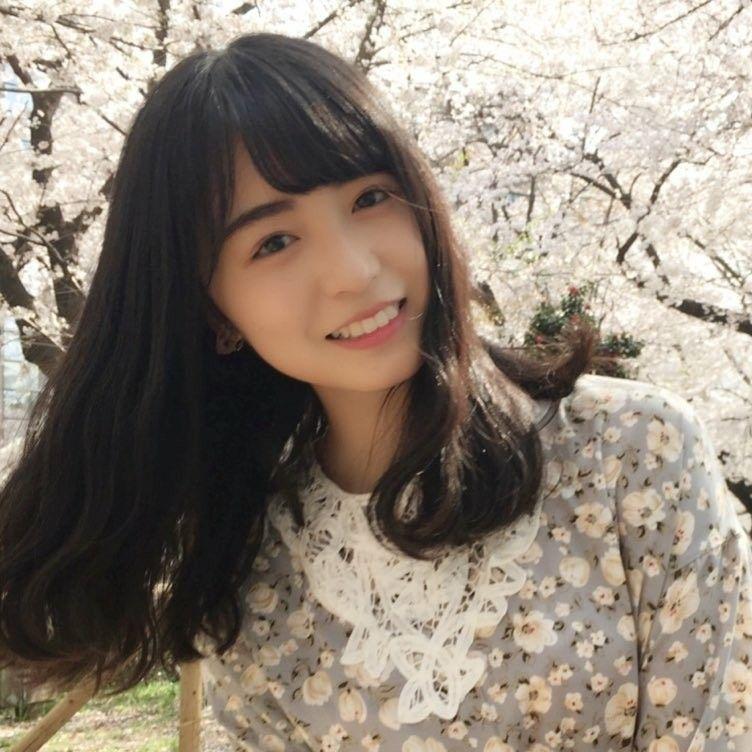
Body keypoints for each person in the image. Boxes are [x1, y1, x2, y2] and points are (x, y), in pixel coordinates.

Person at [0, 31, 750, 752]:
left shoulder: (629, 452)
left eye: (370, 198)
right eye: (273, 241)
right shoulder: (253, 565)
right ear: (215, 312)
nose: (354, 270)